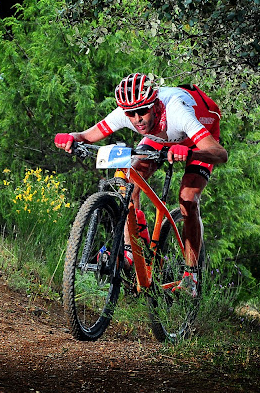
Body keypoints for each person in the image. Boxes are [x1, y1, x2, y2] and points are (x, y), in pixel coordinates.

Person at [54, 73, 228, 296]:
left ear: (155, 104)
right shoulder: (128, 111)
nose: (137, 119)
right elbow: (87, 136)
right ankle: (134, 248)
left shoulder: (177, 111)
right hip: (161, 137)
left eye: (142, 111)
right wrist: (70, 137)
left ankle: (191, 277)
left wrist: (191, 151)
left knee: (188, 199)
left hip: (197, 139)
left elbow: (220, 154)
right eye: (131, 114)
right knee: (130, 178)